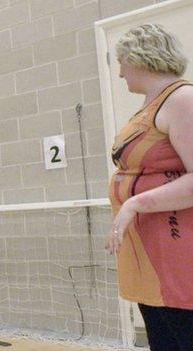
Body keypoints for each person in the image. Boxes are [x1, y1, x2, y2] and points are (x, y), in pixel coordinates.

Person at [107, 24, 193, 350]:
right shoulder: (153, 104)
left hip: (177, 256)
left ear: (140, 58)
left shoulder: (182, 99)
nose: (120, 73)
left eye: (123, 62)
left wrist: (134, 204)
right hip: (152, 255)